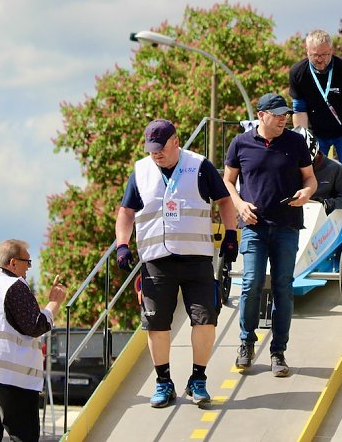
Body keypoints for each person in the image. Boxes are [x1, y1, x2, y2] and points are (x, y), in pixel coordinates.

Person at [115, 118, 238, 408]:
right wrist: (122, 243)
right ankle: (163, 381)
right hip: (157, 260)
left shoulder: (199, 165)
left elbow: (224, 200)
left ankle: (198, 379)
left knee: (205, 318)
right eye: (151, 149)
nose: (155, 154)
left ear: (175, 141)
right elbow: (126, 211)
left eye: (160, 148)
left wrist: (231, 233)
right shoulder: (141, 170)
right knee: (156, 323)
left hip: (196, 257)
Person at [223, 93, 317, 377]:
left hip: (287, 225)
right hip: (253, 226)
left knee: (283, 288)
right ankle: (246, 343)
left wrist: (307, 192)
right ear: (261, 115)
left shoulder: (296, 142)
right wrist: (239, 205)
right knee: (251, 284)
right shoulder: (240, 143)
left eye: (284, 114)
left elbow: (310, 178)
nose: (282, 119)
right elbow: (227, 180)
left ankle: (278, 351)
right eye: (276, 115)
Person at [0, 239, 67, 442]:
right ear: (13, 262)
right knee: (23, 434)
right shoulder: (14, 286)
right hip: (12, 375)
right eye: (27, 262)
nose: (29, 268)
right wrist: (54, 303)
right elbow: (35, 325)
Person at [289, 29, 342, 166]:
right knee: (315, 173)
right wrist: (303, 143)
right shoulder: (297, 72)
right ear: (307, 51)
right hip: (316, 132)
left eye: (324, 54)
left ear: (331, 50)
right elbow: (299, 111)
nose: (320, 59)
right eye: (315, 55)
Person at [294, 126, 342, 215]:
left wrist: (327, 204)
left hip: (323, 218)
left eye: (307, 163)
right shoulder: (286, 167)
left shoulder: (335, 168)